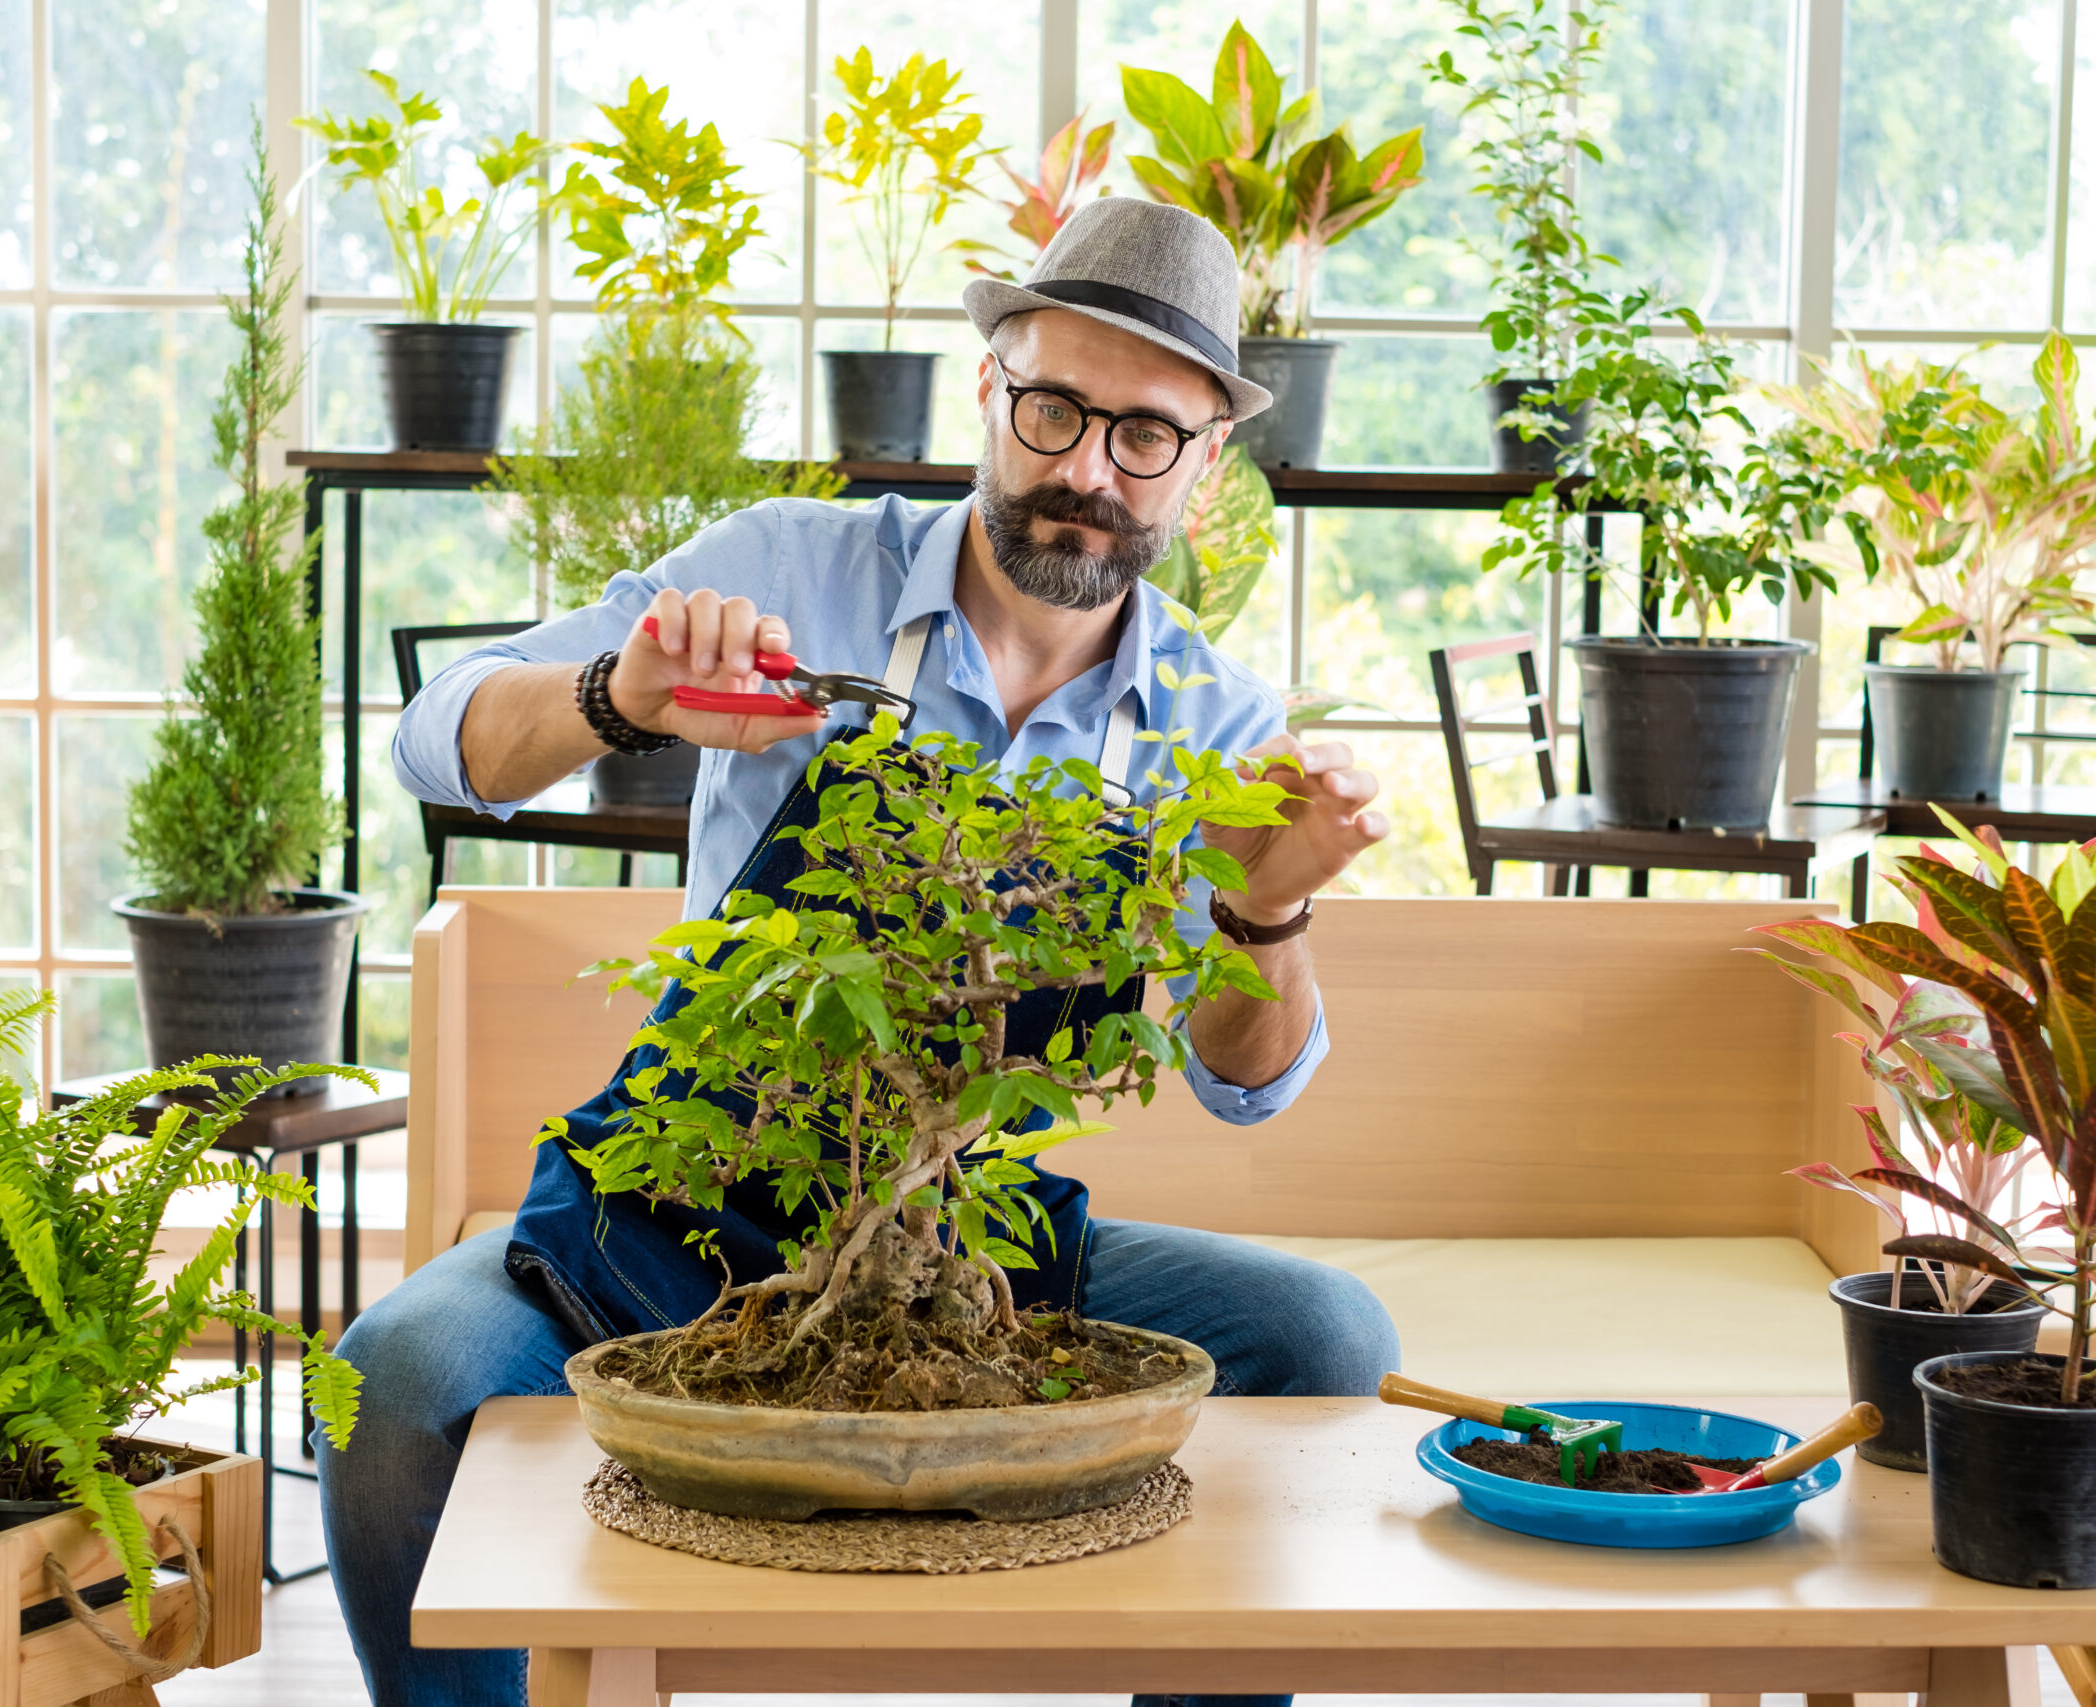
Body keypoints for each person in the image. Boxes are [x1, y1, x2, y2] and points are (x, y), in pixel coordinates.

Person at [326, 197, 1402, 1707]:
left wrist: (1265, 908)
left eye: (1145, 434)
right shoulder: (795, 571)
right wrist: (620, 699)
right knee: (391, 1390)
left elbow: (1248, 1087)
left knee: (1323, 1330)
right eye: (1055, 410)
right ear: (990, 392)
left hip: (954, 1233)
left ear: (1207, 466)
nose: (1088, 471)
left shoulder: (1213, 724)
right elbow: (439, 742)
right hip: (671, 1209)